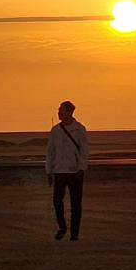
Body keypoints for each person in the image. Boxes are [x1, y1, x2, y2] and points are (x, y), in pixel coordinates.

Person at [46, 100, 89, 241]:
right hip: (59, 171)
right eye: (58, 110)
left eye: (61, 110)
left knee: (76, 203)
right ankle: (62, 227)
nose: (58, 112)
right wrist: (49, 170)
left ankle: (74, 233)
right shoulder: (55, 131)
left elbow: (84, 150)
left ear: (69, 112)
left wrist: (81, 168)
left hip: (75, 172)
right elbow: (50, 152)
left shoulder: (79, 129)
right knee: (57, 201)